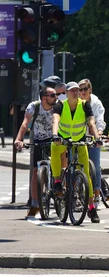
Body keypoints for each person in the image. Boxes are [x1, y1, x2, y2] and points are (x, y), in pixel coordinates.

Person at [50, 81, 103, 223]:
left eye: (77, 90)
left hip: (79, 140)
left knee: (87, 174)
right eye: (72, 90)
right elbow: (55, 120)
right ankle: (56, 181)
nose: (75, 92)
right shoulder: (60, 105)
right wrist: (55, 135)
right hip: (63, 139)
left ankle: (91, 208)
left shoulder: (85, 105)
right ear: (66, 93)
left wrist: (97, 138)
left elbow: (91, 122)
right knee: (54, 148)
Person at [14, 86, 58, 218]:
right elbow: (25, 123)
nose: (56, 97)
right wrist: (18, 139)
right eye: (53, 95)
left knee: (60, 168)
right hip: (38, 140)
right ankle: (34, 205)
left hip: (55, 140)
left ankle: (61, 192)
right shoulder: (34, 106)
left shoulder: (58, 106)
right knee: (35, 172)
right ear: (44, 98)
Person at [78, 79, 106, 210]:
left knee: (95, 165)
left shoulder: (96, 103)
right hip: (78, 136)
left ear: (90, 90)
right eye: (80, 89)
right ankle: (77, 194)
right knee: (77, 165)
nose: (82, 92)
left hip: (92, 136)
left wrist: (99, 134)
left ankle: (96, 195)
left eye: (84, 89)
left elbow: (99, 120)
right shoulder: (76, 102)